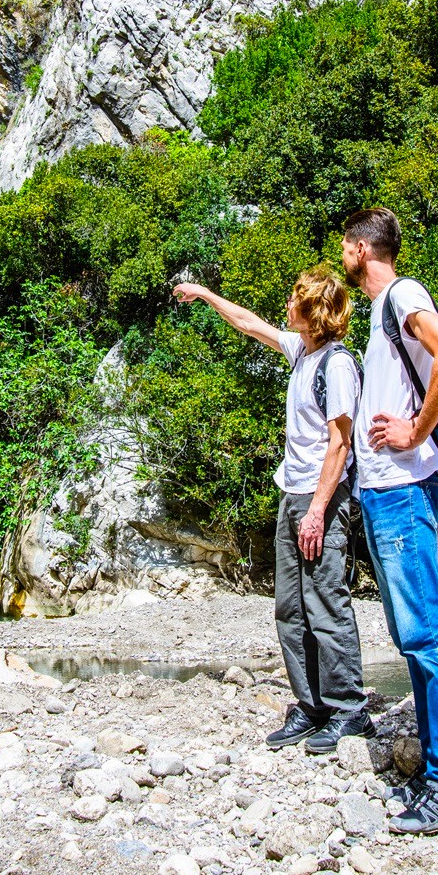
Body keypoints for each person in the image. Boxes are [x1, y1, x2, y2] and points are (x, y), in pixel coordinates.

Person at [173, 266, 374, 754]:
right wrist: (203, 294)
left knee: (326, 602)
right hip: (293, 494)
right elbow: (249, 323)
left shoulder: (338, 365)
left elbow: (341, 444)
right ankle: (311, 706)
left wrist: (317, 512)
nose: (286, 305)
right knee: (290, 608)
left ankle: (349, 710)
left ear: (313, 312)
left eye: (293, 299)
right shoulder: (302, 352)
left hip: (321, 498)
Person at [341, 207, 438, 835]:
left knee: (426, 633)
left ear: (361, 250)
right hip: (385, 492)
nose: (342, 254)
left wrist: (415, 430)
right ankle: (434, 770)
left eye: (345, 245)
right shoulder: (383, 308)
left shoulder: (401, 294)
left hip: (403, 490)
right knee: (412, 635)